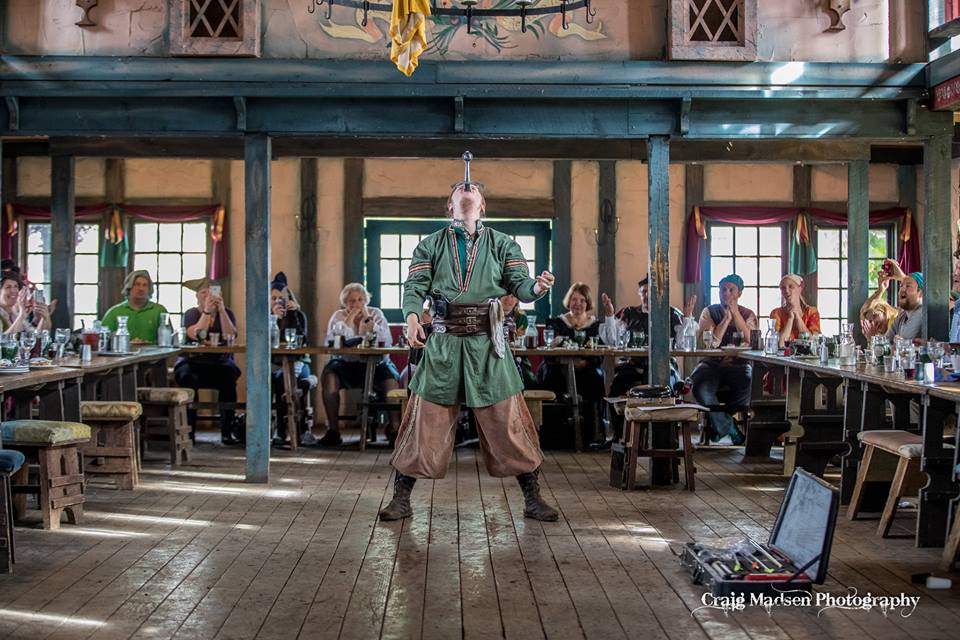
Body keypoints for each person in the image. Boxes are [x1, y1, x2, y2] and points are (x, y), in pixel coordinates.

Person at [379, 172, 558, 523]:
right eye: (460, 189)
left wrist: (537, 289)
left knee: (508, 423)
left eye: (472, 188)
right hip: (443, 344)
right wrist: (413, 317)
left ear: (481, 205)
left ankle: (533, 496)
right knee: (424, 423)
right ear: (450, 206)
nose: (466, 187)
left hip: (487, 346)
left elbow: (521, 286)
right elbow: (414, 286)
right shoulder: (429, 245)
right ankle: (401, 498)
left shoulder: (503, 243)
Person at [598, 276, 688, 444]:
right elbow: (612, 341)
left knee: (659, 388)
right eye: (644, 292)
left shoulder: (672, 314)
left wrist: (688, 318)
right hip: (632, 366)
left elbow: (682, 345)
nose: (648, 296)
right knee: (615, 390)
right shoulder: (629, 313)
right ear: (639, 294)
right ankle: (620, 436)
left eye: (652, 292)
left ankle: (662, 438)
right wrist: (610, 315)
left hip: (665, 367)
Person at [320, 282, 400, 447]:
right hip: (346, 364)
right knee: (329, 376)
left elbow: (386, 340)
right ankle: (333, 431)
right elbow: (331, 342)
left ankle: (394, 429)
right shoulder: (338, 316)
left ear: (366, 300)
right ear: (345, 302)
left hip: (376, 364)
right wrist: (349, 319)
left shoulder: (375, 313)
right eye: (352, 301)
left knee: (391, 380)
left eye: (360, 300)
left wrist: (367, 318)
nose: (356, 304)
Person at [691, 274, 757, 445]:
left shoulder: (748, 314)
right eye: (723, 289)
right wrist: (726, 320)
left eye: (731, 290)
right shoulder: (709, 312)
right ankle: (729, 427)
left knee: (750, 384)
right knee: (699, 386)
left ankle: (718, 424)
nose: (726, 293)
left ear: (739, 293)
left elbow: (752, 341)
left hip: (738, 365)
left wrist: (736, 315)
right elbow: (708, 344)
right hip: (711, 364)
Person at [173, 278, 241, 445]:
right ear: (197, 296)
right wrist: (207, 312)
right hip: (193, 362)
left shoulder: (228, 313)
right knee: (188, 379)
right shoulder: (191, 313)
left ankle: (227, 431)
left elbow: (230, 336)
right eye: (204, 293)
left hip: (220, 362)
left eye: (212, 292)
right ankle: (189, 432)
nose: (208, 296)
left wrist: (222, 311)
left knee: (229, 378)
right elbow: (196, 334)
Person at [537, 283, 605, 445]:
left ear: (587, 304)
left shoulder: (595, 326)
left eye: (582, 300)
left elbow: (600, 354)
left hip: (585, 369)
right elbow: (548, 352)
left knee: (596, 377)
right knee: (549, 375)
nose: (578, 304)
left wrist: (584, 362)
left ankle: (593, 435)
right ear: (569, 301)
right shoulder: (557, 323)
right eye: (574, 299)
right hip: (558, 369)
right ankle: (553, 437)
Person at [270, 273, 319, 446]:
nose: (278, 302)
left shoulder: (298, 316)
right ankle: (278, 430)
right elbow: (264, 343)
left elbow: (302, 341)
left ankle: (284, 432)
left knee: (283, 379)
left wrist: (295, 314)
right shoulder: (265, 318)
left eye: (281, 298)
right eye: (273, 298)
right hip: (274, 364)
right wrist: (274, 318)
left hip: (298, 362)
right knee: (276, 378)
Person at [860, 259, 923, 341]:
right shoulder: (902, 317)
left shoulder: (921, 312)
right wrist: (881, 290)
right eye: (901, 286)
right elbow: (886, 344)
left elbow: (900, 347)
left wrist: (902, 277)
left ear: (921, 293)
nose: (902, 290)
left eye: (908, 286)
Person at [101, 270, 168, 343]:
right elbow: (103, 338)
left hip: (155, 353)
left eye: (145, 285)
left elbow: (168, 340)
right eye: (137, 284)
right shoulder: (114, 312)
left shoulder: (159, 311)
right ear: (129, 288)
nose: (141, 289)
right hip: (122, 352)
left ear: (149, 289)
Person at [0, 263, 54, 334]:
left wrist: (45, 317)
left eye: (16, 286)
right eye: (8, 287)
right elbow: (4, 342)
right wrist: (22, 314)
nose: (14, 291)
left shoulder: (14, 313)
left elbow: (35, 336)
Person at [769, 274, 821, 346]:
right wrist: (790, 319)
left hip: (806, 356)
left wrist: (798, 318)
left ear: (800, 289)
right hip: (783, 356)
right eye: (783, 288)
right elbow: (779, 344)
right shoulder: (776, 313)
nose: (786, 290)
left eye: (791, 286)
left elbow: (813, 343)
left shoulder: (812, 312)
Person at [500, 294, 536, 389]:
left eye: (513, 296)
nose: (509, 300)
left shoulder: (521, 317)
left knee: (528, 380)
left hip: (518, 358)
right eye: (504, 295)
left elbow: (519, 342)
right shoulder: (490, 315)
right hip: (495, 358)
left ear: (517, 300)